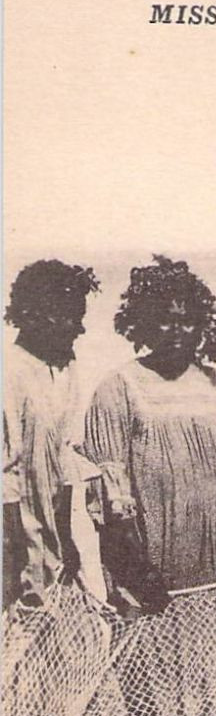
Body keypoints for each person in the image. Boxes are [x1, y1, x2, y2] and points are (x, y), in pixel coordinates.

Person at [84, 256, 216, 610]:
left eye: (186, 320)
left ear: (202, 325)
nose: (176, 330)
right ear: (144, 323)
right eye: (165, 320)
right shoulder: (118, 388)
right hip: (149, 561)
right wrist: (140, 571)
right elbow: (110, 494)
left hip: (215, 557)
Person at [3, 260, 101, 609]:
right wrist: (18, 563)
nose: (80, 329)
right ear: (32, 314)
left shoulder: (64, 368)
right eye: (71, 316)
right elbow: (6, 480)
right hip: (12, 545)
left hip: (51, 542)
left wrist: (66, 542)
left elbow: (63, 464)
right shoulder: (8, 372)